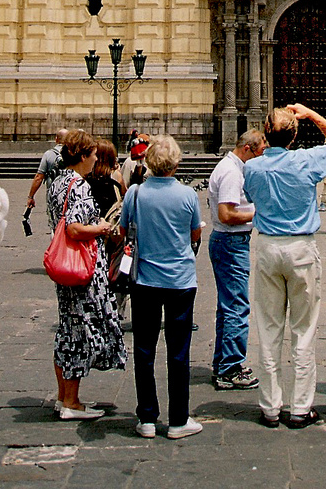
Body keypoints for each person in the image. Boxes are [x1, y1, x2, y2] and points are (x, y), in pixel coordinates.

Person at [243, 103, 326, 428]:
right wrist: (311, 114)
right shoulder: (306, 161)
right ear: (294, 135)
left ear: (265, 134)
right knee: (303, 331)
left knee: (269, 329)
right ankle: (301, 408)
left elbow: (250, 194)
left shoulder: (253, 168)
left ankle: (270, 407)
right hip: (301, 249)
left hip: (268, 248)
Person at [120, 135, 203, 440]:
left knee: (144, 350)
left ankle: (146, 419)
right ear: (176, 162)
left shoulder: (135, 194)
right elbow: (195, 234)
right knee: (179, 353)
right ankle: (179, 420)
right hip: (180, 281)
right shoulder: (187, 195)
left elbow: (122, 230)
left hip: (144, 280)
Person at [46, 130, 127, 420]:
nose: (96, 158)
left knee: (67, 328)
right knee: (79, 330)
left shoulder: (57, 183)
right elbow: (75, 229)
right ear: (82, 155)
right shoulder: (78, 185)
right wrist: (103, 228)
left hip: (65, 267)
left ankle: (63, 397)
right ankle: (72, 402)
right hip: (82, 266)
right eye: (92, 154)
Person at [208, 128, 266, 390]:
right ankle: (231, 368)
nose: (261, 156)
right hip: (231, 242)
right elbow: (227, 214)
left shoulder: (230, 167)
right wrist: (258, 213)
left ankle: (222, 361)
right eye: (260, 151)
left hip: (227, 242)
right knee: (236, 306)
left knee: (228, 304)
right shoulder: (231, 172)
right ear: (247, 149)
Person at [26, 129, 68, 221]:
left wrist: (31, 197)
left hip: (52, 194)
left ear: (56, 139)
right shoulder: (73, 154)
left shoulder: (48, 154)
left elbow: (39, 177)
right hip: (69, 193)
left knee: (54, 220)